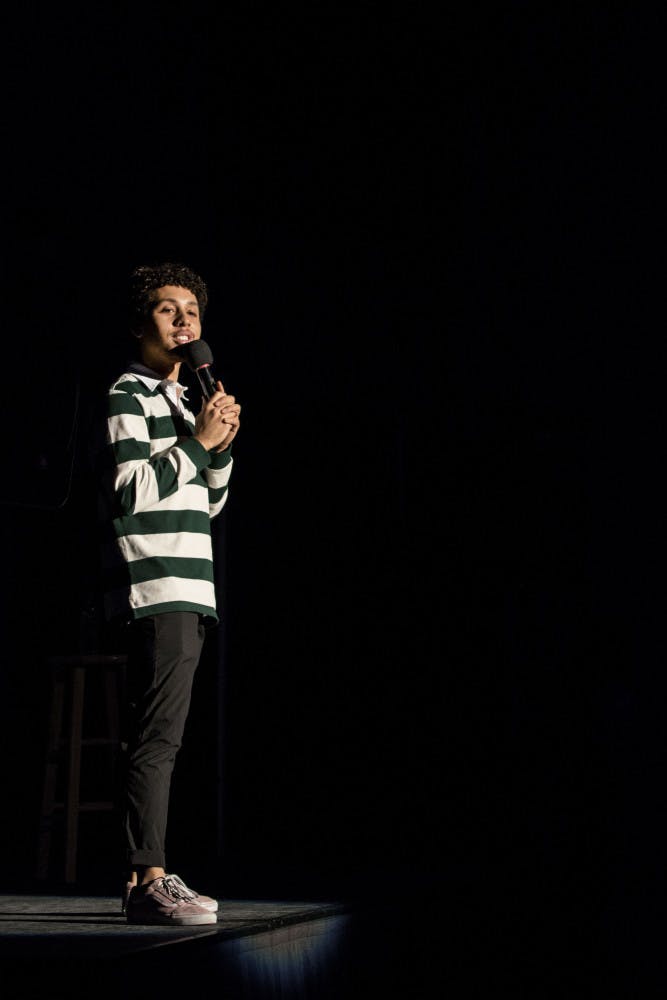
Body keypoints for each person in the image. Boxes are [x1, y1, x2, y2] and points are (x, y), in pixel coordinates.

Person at [96, 261, 241, 925]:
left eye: (192, 309)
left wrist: (220, 446)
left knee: (168, 738)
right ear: (139, 324)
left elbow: (208, 503)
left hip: (192, 580)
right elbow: (129, 493)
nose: (184, 319)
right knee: (155, 739)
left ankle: (147, 874)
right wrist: (198, 443)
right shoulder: (129, 392)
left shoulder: (187, 402)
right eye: (166, 309)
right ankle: (145, 876)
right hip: (155, 582)